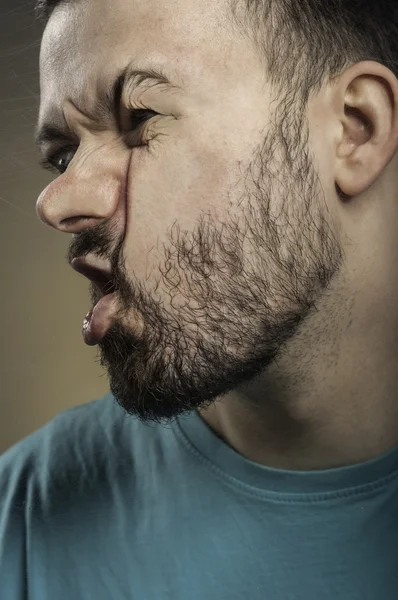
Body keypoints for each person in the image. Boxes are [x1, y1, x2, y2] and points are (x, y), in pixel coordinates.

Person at [1, 0, 398, 597]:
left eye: (139, 119)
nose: (57, 202)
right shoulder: (22, 517)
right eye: (63, 155)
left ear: (354, 129)